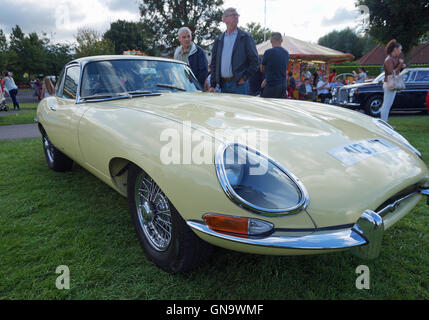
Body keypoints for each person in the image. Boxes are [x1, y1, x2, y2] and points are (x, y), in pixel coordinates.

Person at [209, 8, 259, 94]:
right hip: (223, 85)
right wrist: (213, 85)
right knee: (225, 108)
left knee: (239, 108)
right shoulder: (219, 40)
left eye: (237, 15)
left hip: (239, 85)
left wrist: (245, 77)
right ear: (224, 19)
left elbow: (255, 61)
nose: (236, 17)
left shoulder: (245, 37)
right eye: (233, 15)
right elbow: (214, 63)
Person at [380, 40, 406, 122]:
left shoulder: (392, 59)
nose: (400, 51)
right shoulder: (388, 60)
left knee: (388, 104)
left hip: (391, 83)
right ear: (395, 49)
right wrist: (400, 65)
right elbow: (392, 73)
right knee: (386, 105)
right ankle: (384, 123)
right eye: (400, 49)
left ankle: (384, 122)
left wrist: (401, 67)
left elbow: (396, 71)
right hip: (389, 83)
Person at [260, 32, 289, 99]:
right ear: (281, 41)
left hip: (271, 85)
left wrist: (266, 77)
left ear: (270, 41)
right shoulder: (286, 53)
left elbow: (262, 69)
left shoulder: (268, 52)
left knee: (266, 106)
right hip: (283, 85)